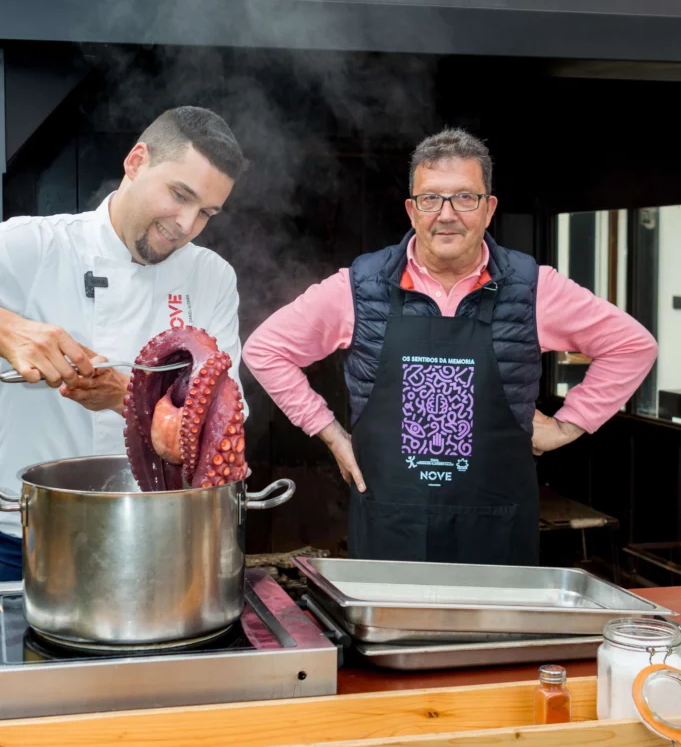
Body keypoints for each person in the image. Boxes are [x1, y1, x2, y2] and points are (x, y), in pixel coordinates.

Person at [0, 106, 248, 582]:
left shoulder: (210, 276)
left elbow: (229, 414)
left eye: (205, 212)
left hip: (157, 543)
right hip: (23, 544)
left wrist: (128, 396)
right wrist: (9, 332)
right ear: (136, 161)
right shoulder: (40, 246)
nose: (186, 225)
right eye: (179, 195)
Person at [242, 129, 657, 565]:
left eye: (465, 198)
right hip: (391, 530)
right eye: (431, 199)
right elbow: (265, 349)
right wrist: (331, 435)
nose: (446, 214)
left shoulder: (534, 288)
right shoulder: (358, 286)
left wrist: (569, 425)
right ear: (411, 209)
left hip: (496, 533)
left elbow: (633, 345)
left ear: (489, 207)